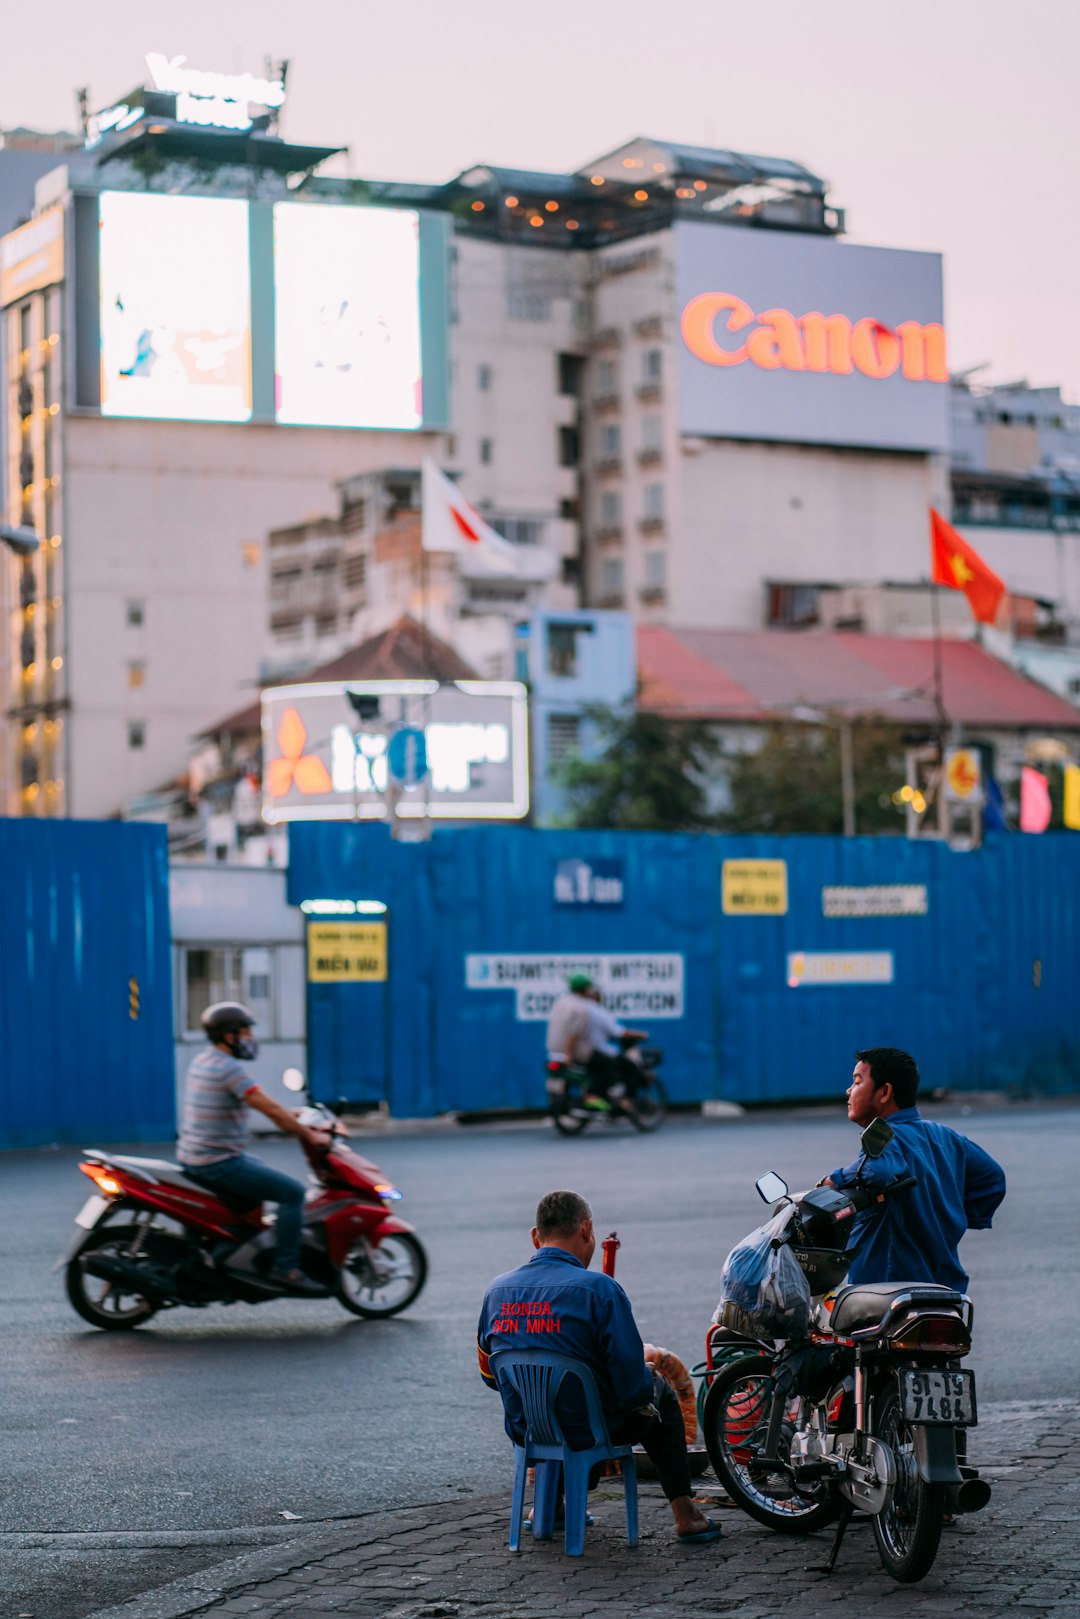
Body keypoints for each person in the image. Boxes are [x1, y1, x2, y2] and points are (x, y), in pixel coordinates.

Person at [477, 1189, 720, 1545]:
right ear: (587, 1229)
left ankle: (550, 1506)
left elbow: (490, 1376)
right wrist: (645, 1376)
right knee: (660, 1393)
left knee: (559, 1402)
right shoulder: (599, 1290)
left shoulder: (496, 1290)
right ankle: (686, 1514)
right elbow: (632, 1387)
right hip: (587, 1430)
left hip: (527, 1428)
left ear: (535, 1236)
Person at [822, 1047, 1006, 1293]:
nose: (848, 1090)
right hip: (945, 1286)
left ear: (885, 1092)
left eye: (857, 1082)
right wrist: (949, 1218)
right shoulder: (945, 1136)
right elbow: (992, 1178)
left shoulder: (886, 1137)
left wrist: (836, 1180)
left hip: (886, 1290)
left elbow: (879, 1172)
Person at [177, 1002, 330, 1295]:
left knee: (259, 1170)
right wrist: (310, 1136)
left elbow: (264, 1105)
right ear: (228, 1035)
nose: (249, 1038)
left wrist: (292, 1114)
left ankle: (235, 1247)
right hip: (217, 1162)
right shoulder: (229, 1069)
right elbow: (268, 1108)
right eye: (245, 1031)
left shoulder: (204, 1060)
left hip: (196, 1156)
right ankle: (286, 1269)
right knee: (292, 1193)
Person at [584, 985, 648, 1102]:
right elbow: (618, 1031)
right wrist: (641, 1035)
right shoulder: (597, 1012)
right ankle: (626, 1101)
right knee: (630, 1067)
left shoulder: (582, 1010)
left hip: (584, 1053)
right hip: (600, 1053)